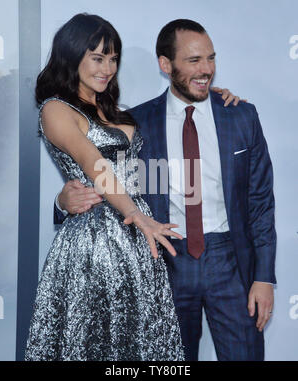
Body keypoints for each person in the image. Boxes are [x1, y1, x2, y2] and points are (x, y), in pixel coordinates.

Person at [57, 19, 277, 362]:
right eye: (193, 61)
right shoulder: (135, 123)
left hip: (231, 264)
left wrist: (264, 278)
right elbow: (105, 183)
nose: (206, 70)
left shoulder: (241, 116)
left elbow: (261, 203)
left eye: (210, 59)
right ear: (165, 65)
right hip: (163, 260)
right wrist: (63, 203)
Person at [25, 13, 186, 361]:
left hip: (140, 243)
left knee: (139, 346)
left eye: (113, 59)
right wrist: (132, 212)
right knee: (94, 343)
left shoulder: (117, 111)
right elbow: (92, 162)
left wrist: (211, 96)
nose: (108, 67)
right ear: (72, 56)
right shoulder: (55, 109)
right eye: (98, 57)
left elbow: (168, 111)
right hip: (95, 245)